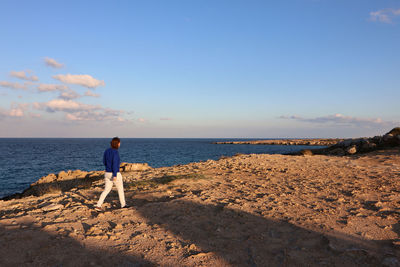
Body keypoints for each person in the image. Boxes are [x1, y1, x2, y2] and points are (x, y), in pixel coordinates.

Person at [95, 137, 127, 211]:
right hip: (114, 173)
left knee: (106, 190)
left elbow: (104, 162)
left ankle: (98, 205)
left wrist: (108, 167)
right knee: (120, 189)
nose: (120, 144)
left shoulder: (107, 151)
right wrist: (115, 175)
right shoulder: (115, 152)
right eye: (119, 143)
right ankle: (123, 204)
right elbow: (115, 164)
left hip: (107, 173)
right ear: (117, 144)